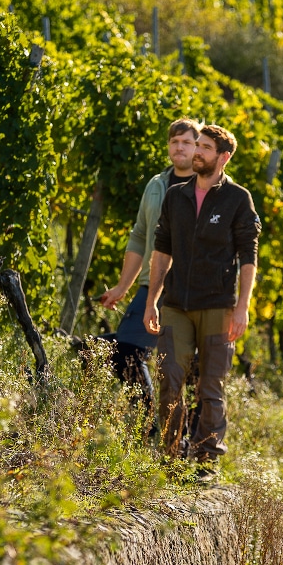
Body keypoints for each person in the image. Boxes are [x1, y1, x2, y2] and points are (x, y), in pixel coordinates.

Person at [143, 124, 261, 478]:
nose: (197, 153)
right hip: (176, 303)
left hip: (217, 306)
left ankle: (207, 460)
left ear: (223, 157)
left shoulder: (238, 199)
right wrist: (152, 301)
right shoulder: (175, 196)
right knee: (170, 379)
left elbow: (248, 256)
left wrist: (242, 307)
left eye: (205, 148)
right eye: (197, 146)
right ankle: (170, 457)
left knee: (211, 386)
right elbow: (161, 250)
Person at [99, 118, 201, 418]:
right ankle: (147, 425)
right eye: (174, 141)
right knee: (126, 350)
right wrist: (121, 287)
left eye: (186, 141)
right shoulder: (156, 185)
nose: (179, 147)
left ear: (198, 146)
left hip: (193, 291)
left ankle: (187, 442)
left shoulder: (212, 185)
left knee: (188, 368)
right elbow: (140, 235)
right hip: (152, 286)